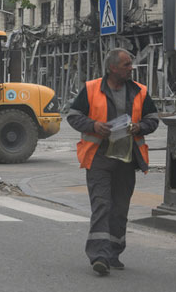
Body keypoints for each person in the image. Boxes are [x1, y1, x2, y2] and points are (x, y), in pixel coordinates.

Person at [67, 48, 159, 276]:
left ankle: (114, 251)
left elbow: (153, 119)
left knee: (120, 208)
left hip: (127, 158)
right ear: (112, 68)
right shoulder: (91, 89)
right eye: (127, 65)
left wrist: (140, 127)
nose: (131, 68)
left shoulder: (139, 91)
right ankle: (99, 255)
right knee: (102, 205)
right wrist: (93, 126)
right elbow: (73, 115)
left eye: (130, 64)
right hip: (99, 156)